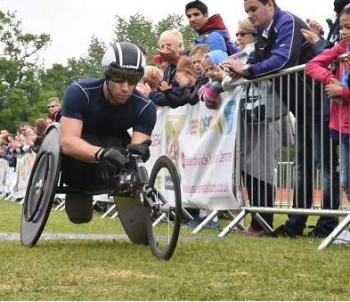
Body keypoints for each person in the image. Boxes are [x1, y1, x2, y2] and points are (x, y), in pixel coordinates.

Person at [224, 0, 320, 236]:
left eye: (254, 9)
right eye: (247, 11)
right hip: (298, 104)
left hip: (316, 101)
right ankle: (295, 224)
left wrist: (246, 70)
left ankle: (324, 225)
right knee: (305, 165)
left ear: (270, 4)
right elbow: (257, 59)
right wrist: (235, 69)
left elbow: (283, 60)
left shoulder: (286, 21)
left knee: (324, 166)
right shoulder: (265, 32)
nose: (250, 14)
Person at [60, 42, 157, 224]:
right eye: (119, 78)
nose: (125, 87)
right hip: (76, 159)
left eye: (133, 79)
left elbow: (136, 150)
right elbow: (67, 142)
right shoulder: (80, 92)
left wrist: (138, 153)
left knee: (124, 150)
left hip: (111, 150)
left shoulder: (145, 108)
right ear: (107, 74)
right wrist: (101, 153)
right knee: (80, 217)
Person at [305, 4, 350, 205]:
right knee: (347, 180)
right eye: (342, 27)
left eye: (348, 27)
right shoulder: (340, 47)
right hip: (344, 126)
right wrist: (330, 79)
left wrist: (344, 91)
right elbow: (312, 65)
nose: (343, 32)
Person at [138, 29, 184, 107]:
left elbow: (176, 98)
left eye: (168, 45)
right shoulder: (168, 69)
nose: (165, 49)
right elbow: (161, 94)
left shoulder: (187, 64)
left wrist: (151, 94)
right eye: (162, 46)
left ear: (179, 46)